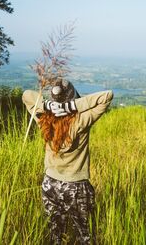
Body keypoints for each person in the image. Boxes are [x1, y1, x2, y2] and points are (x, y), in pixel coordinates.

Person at [22, 79, 113, 244]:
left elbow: (26, 96)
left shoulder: (43, 119)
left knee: (55, 234)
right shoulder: (81, 120)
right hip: (76, 186)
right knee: (84, 234)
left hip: (50, 184)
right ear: (73, 99)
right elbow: (106, 96)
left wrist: (49, 106)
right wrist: (71, 106)